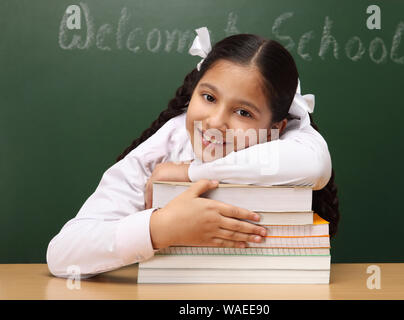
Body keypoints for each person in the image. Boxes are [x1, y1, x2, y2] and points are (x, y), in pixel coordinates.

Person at [47, 27, 340, 279]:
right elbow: (63, 254)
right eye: (209, 97)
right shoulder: (165, 147)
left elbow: (315, 167)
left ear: (276, 126)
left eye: (243, 112)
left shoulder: (287, 141)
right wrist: (161, 228)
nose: (215, 122)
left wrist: (188, 173)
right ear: (194, 91)